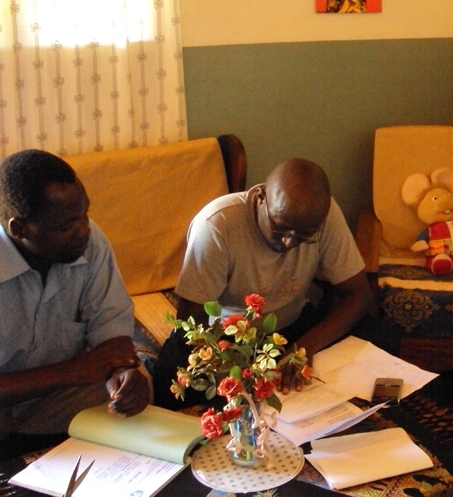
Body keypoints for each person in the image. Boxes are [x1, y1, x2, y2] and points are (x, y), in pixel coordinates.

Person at [153, 157, 374, 408]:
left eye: (304, 236)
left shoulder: (324, 215)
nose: (289, 243)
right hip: (226, 338)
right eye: (280, 228)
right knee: (171, 383)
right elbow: (189, 323)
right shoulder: (217, 225)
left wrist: (304, 348)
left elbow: (358, 295)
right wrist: (234, 370)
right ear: (261, 199)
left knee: (377, 334)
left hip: (291, 328)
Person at [0, 149, 150, 442]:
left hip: (56, 399)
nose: (83, 231)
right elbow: (84, 369)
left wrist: (121, 373)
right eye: (66, 226)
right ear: (20, 229)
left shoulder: (90, 242)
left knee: (141, 387)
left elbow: (112, 336)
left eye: (85, 214)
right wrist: (72, 371)